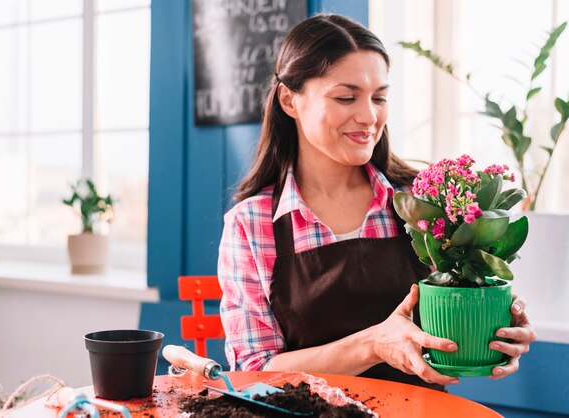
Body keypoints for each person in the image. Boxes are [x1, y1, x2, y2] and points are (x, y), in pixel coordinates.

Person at [217, 13, 536, 390]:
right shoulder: (251, 224)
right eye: (346, 97)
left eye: (380, 97)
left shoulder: (424, 201)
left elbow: (461, 297)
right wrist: (373, 344)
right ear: (289, 100)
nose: (369, 116)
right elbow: (254, 371)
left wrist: (496, 329)